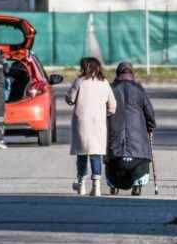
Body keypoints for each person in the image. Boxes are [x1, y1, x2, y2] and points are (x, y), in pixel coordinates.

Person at [66, 57, 116, 196]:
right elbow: (113, 105)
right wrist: (107, 113)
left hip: (82, 123)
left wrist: (69, 99)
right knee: (96, 154)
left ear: (84, 68)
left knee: (82, 154)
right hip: (98, 124)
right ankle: (96, 187)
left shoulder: (80, 81)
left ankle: (81, 185)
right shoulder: (104, 83)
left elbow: (70, 98)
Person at [106, 62, 156, 196]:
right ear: (132, 75)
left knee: (111, 162)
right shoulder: (139, 89)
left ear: (117, 75)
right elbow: (149, 112)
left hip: (115, 147)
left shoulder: (110, 89)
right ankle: (138, 184)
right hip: (138, 149)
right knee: (140, 162)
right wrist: (150, 126)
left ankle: (113, 185)